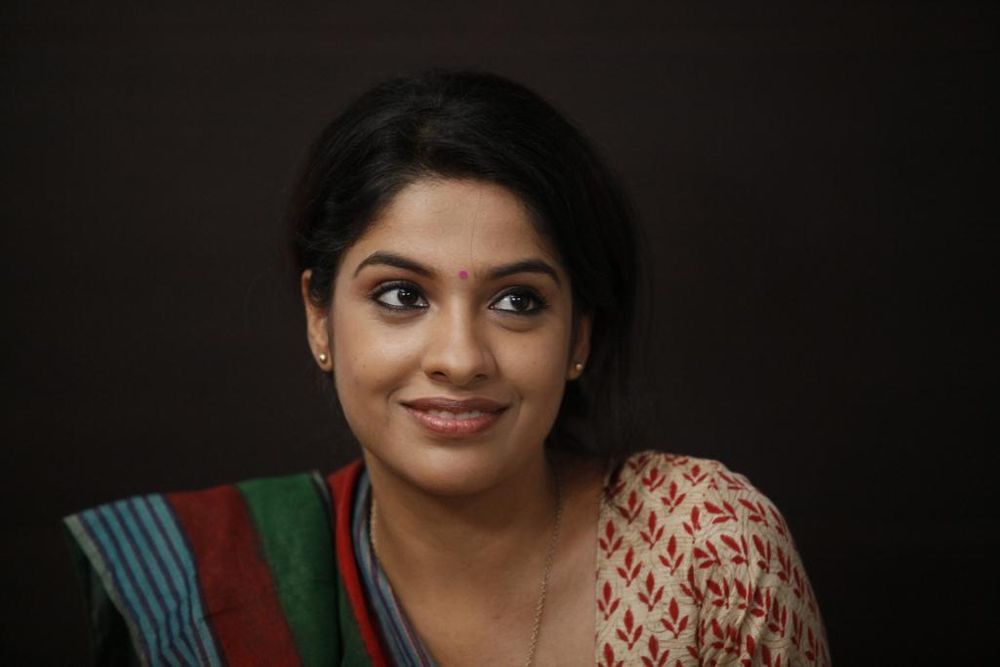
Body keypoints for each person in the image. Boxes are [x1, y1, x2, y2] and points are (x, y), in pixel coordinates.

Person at [64, 70, 830, 666]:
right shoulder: (202, 591)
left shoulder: (705, 553)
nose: (460, 359)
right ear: (319, 317)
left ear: (579, 336)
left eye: (518, 301)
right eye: (402, 294)